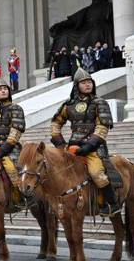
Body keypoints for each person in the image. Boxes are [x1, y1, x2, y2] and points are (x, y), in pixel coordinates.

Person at [50, 68, 120, 215]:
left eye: (89, 82)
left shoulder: (99, 103)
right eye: (83, 82)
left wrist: (89, 145)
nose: (87, 85)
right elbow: (56, 123)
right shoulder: (68, 105)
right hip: (72, 147)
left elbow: (102, 126)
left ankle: (112, 203)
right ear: (77, 86)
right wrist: (60, 145)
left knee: (97, 174)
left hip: (94, 148)